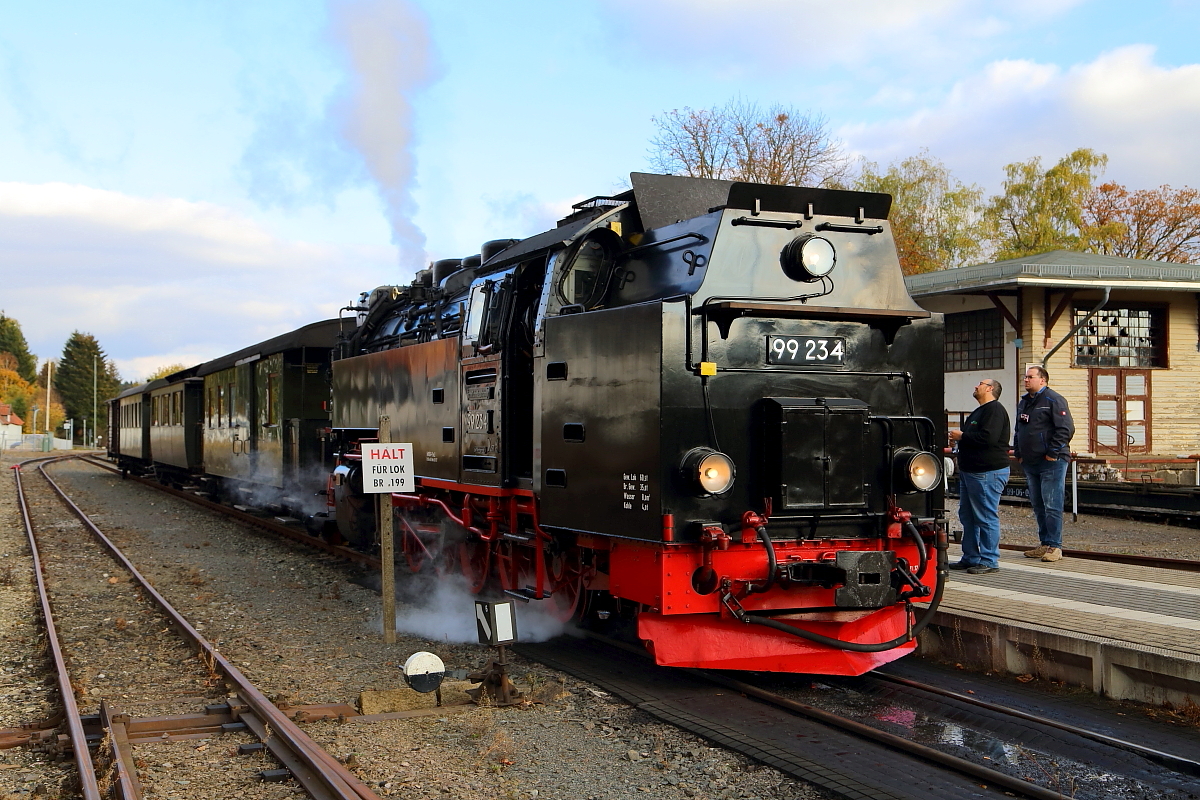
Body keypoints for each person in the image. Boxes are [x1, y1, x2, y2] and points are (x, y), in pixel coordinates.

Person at [948, 379, 1011, 575]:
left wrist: (962, 436)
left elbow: (988, 438)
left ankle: (990, 559)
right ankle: (971, 556)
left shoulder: (994, 410)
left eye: (981, 384)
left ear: (990, 388)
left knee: (985, 516)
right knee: (968, 516)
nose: (976, 386)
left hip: (987, 471)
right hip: (971, 472)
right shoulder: (979, 411)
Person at [1014, 365, 1075, 563]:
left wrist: (1052, 453)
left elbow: (1065, 429)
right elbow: (1019, 429)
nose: (1026, 380)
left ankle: (1055, 546)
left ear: (1043, 380)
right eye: (1025, 377)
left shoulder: (1053, 400)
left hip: (1051, 462)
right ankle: (1045, 543)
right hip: (1030, 461)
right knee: (1038, 504)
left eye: (1030, 377)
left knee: (1052, 504)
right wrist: (1019, 453)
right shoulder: (1024, 402)